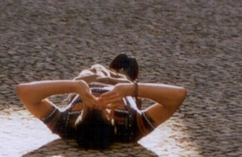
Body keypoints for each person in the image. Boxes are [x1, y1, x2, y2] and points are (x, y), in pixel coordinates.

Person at [16, 54, 187, 150]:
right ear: (112, 119)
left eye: (88, 107)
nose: (98, 100)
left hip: (88, 79)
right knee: (128, 63)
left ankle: (107, 70)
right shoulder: (130, 128)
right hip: (121, 84)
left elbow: (24, 92)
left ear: (80, 117)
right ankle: (122, 74)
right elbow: (178, 96)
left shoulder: (66, 125)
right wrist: (130, 89)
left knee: (96, 69)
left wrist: (76, 86)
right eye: (106, 109)